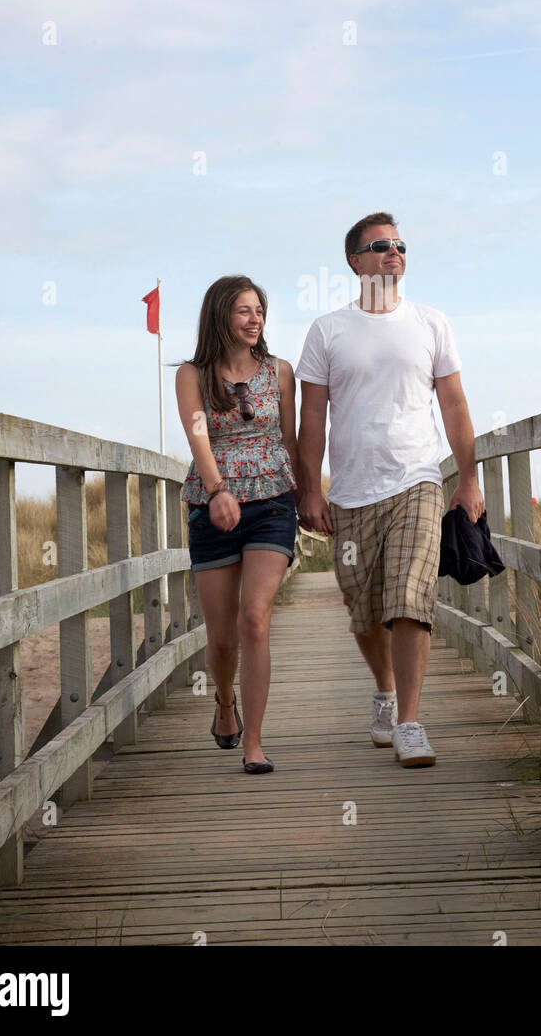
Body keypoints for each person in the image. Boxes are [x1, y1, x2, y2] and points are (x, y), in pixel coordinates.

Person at [295, 213, 484, 767]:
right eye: (380, 246)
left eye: (399, 245)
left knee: (408, 597)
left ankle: (409, 722)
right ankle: (384, 690)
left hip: (417, 479)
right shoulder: (327, 331)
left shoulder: (430, 323)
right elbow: (312, 421)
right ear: (355, 260)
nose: (393, 253)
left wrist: (467, 478)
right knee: (363, 607)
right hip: (352, 491)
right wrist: (310, 489)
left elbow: (453, 404)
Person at [174, 275, 299, 774]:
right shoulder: (192, 375)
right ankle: (226, 705)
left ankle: (255, 743)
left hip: (273, 505)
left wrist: (305, 495)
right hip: (214, 508)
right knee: (222, 636)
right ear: (220, 315)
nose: (254, 320)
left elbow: (290, 440)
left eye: (260, 311)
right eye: (244, 311)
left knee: (255, 619)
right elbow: (198, 437)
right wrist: (218, 490)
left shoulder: (280, 372)